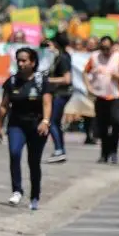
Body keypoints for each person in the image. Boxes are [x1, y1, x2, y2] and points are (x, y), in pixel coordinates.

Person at [0, 47, 52, 210]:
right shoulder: (12, 81)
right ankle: (17, 190)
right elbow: (4, 105)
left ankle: (35, 196)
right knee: (14, 153)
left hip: (37, 126)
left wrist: (46, 121)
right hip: (16, 124)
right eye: (18, 60)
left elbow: (47, 103)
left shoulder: (41, 82)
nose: (21, 64)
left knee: (33, 162)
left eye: (24, 60)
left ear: (32, 62)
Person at [84, 36, 119, 164]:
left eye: (107, 48)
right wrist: (88, 86)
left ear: (112, 47)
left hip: (116, 96)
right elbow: (85, 72)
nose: (105, 51)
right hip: (100, 96)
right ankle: (104, 153)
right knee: (102, 127)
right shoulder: (94, 57)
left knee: (116, 123)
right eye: (102, 48)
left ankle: (114, 152)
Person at [44, 32, 73, 162]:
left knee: (51, 122)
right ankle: (60, 149)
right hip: (60, 93)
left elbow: (67, 79)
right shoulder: (59, 56)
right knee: (56, 122)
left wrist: (49, 80)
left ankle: (59, 150)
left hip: (61, 94)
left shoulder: (63, 58)